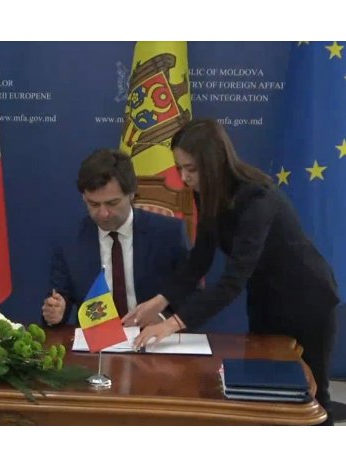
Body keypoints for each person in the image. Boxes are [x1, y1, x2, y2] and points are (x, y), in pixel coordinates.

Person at [125, 119, 340, 424]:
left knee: (313, 397)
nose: (184, 178)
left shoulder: (257, 197)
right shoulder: (205, 192)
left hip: (307, 299)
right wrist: (159, 301)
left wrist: (172, 324)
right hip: (266, 300)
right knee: (266, 390)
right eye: (180, 168)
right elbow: (199, 261)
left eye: (191, 169)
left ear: (214, 162)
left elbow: (232, 281)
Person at [42, 149, 189, 326]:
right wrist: (56, 312)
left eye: (112, 203)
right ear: (83, 197)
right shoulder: (69, 240)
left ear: (132, 194)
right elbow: (59, 296)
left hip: (153, 335)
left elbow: (190, 294)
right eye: (94, 204)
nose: (103, 213)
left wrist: (162, 319)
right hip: (96, 338)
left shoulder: (168, 233)